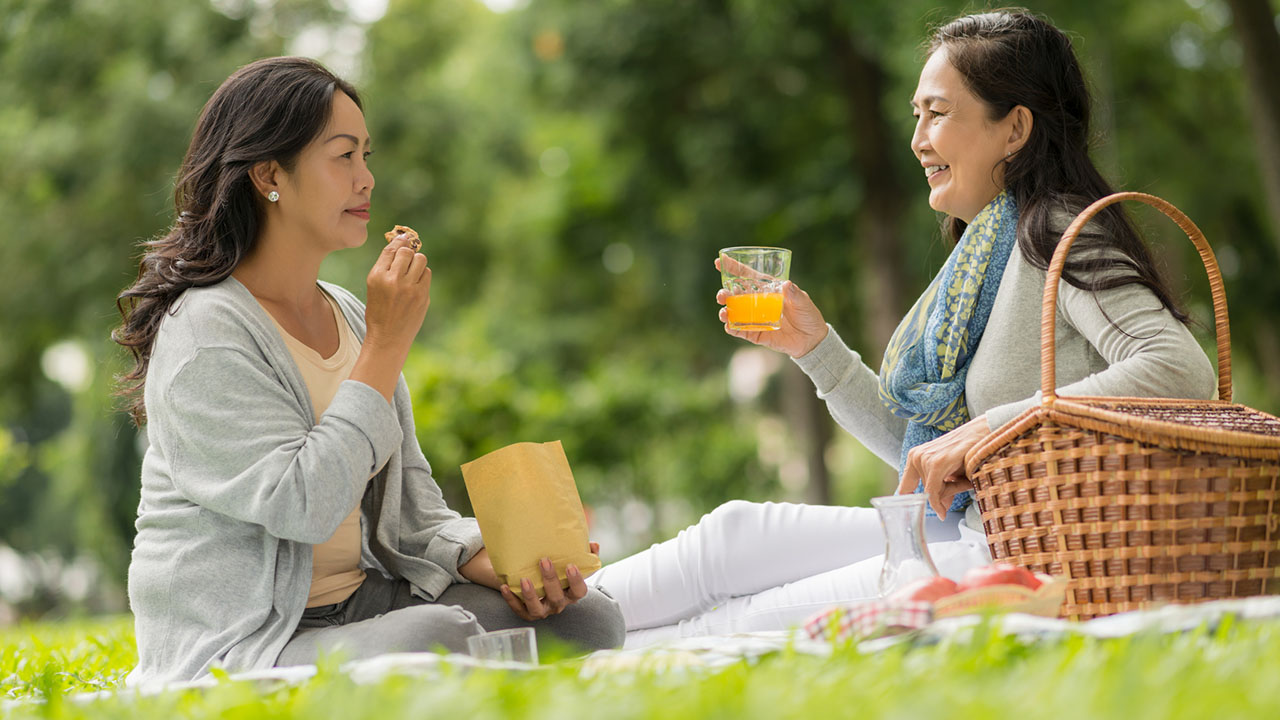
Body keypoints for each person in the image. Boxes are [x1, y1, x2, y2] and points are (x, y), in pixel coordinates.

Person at [590, 9, 1218, 647]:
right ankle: (550, 605)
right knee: (731, 535)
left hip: (1034, 552)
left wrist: (990, 427)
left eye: (938, 113)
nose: (918, 138)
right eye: (916, 114)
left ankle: (550, 653)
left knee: (736, 621)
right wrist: (817, 349)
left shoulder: (1059, 232)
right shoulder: (986, 257)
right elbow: (923, 458)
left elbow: (1180, 368)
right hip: (976, 523)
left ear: (1015, 128)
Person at [113, 57, 624, 687]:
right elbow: (305, 506)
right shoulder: (205, 332)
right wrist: (386, 345)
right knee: (437, 638)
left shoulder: (350, 314)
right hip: (242, 641)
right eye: (344, 156)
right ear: (270, 174)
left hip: (358, 608)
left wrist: (492, 562)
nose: (367, 180)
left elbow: (411, 509)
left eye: (367, 156)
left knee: (586, 624)